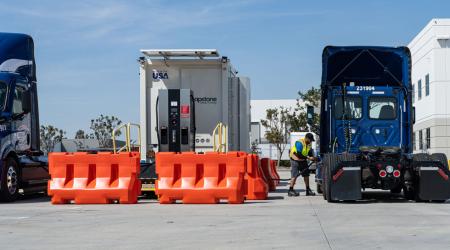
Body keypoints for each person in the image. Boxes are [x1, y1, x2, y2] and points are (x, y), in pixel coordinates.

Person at [288, 133, 317, 197]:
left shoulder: (309, 145)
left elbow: (309, 152)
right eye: (310, 140)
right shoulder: (299, 143)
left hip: (303, 160)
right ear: (306, 138)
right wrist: (308, 157)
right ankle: (290, 190)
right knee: (294, 175)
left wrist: (313, 158)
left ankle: (308, 190)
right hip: (295, 160)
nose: (311, 141)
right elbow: (298, 153)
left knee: (306, 174)